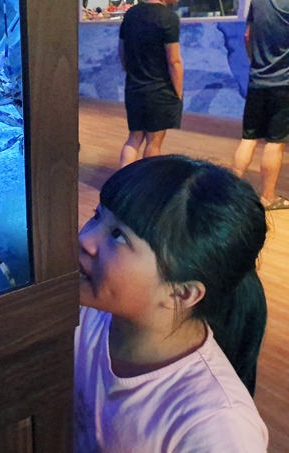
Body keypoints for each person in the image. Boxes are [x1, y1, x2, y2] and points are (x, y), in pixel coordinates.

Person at [75, 155, 268, 451]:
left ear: (182, 293)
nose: (86, 238)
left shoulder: (218, 429)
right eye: (97, 215)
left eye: (118, 236)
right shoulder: (84, 317)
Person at [232, 0, 289, 210]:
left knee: (248, 138)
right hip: (284, 84)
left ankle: (229, 192)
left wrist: (257, 62)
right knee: (275, 142)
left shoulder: (258, 2)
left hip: (257, 80)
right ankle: (267, 197)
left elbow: (248, 36)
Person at [118, 0, 184, 167]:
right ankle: (147, 187)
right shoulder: (168, 17)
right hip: (159, 90)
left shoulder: (131, 14)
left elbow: (121, 51)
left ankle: (122, 184)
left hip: (134, 87)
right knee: (154, 143)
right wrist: (179, 92)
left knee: (134, 138)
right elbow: (174, 61)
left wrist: (132, 74)